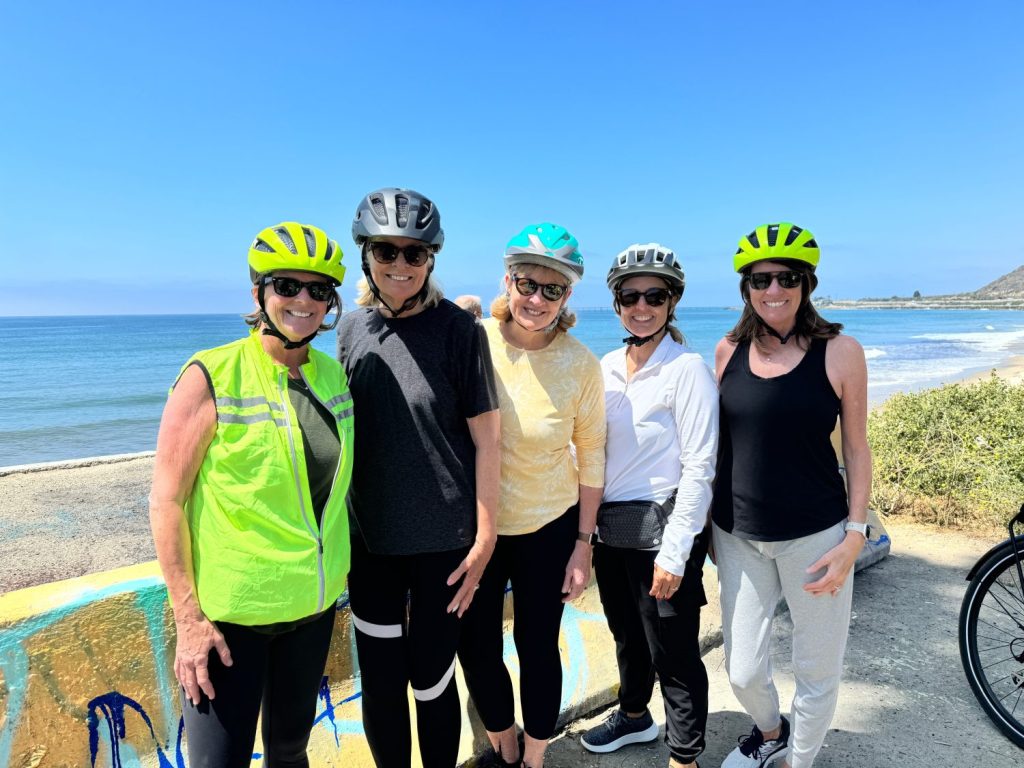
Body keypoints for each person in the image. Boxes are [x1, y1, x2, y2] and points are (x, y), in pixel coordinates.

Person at [149, 221, 354, 767]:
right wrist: (188, 619)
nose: (303, 301)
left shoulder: (333, 376)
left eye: (319, 290)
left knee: (290, 751)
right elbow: (166, 500)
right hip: (228, 622)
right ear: (259, 292)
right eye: (287, 285)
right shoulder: (210, 374)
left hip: (311, 610)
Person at [336, 187, 500, 768]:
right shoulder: (350, 330)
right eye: (386, 252)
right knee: (381, 689)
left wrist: (485, 540)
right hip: (369, 544)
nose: (399, 265)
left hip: (445, 547)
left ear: (431, 259)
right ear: (366, 256)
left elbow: (488, 440)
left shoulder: (460, 331)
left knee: (431, 682)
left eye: (414, 254)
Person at [712, 223, 871, 768]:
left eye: (786, 277)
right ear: (746, 288)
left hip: (818, 536)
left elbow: (856, 448)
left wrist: (856, 533)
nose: (772, 289)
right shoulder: (726, 351)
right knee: (743, 669)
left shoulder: (841, 351)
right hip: (737, 536)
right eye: (760, 279)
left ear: (806, 284)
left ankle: (798, 762)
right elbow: (713, 448)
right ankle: (771, 731)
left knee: (816, 669)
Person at [458, 223, 606, 768]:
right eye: (526, 284)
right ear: (507, 280)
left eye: (553, 290)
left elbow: (592, 458)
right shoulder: (473, 339)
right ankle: (505, 740)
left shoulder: (581, 365)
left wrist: (583, 545)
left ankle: (536, 756)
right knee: (474, 646)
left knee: (537, 648)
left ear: (567, 297)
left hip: (550, 525)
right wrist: (449, 310)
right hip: (479, 526)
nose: (536, 300)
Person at [580, 244, 718, 768]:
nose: (641, 306)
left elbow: (700, 468)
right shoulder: (607, 367)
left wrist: (676, 553)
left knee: (674, 651)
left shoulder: (687, 371)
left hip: (664, 533)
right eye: (629, 296)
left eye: (654, 296)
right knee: (627, 637)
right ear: (616, 303)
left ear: (672, 300)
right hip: (612, 532)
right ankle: (635, 716)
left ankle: (685, 754)